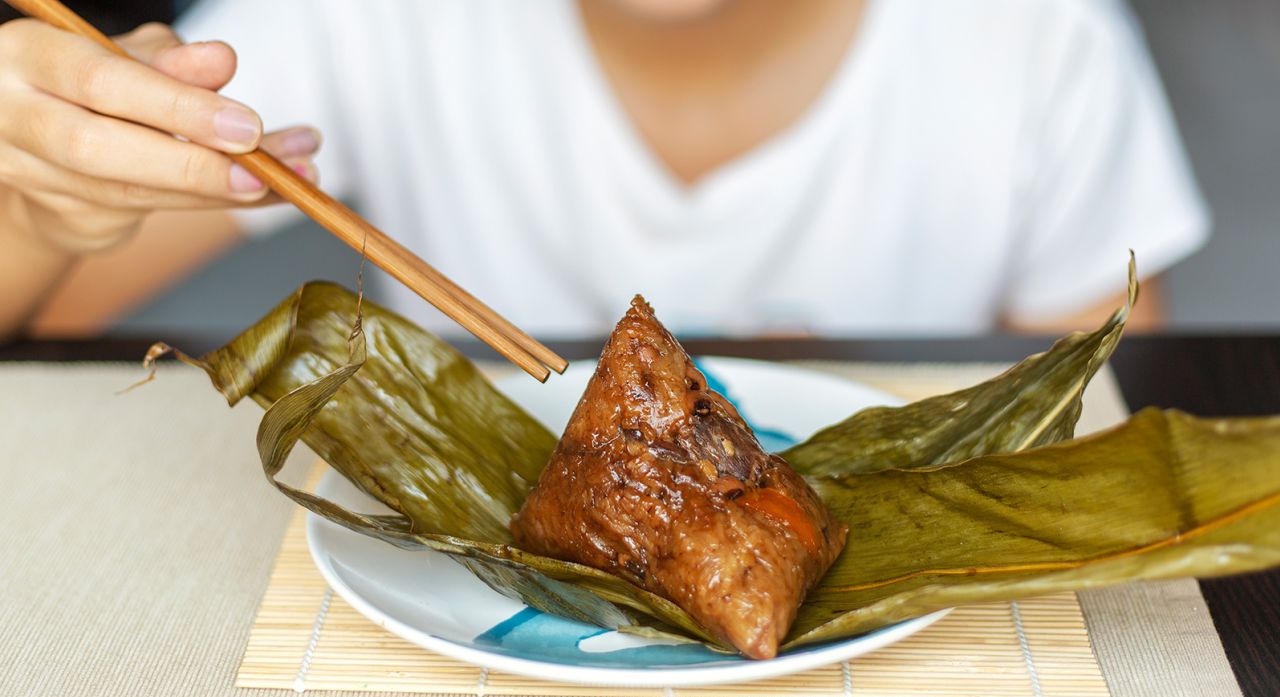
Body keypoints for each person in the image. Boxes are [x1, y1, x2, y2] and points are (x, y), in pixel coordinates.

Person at [0, 0, 1208, 340]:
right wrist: (53, 195)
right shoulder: (363, 20)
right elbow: (35, 308)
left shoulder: (1036, 40)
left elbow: (1097, 402)